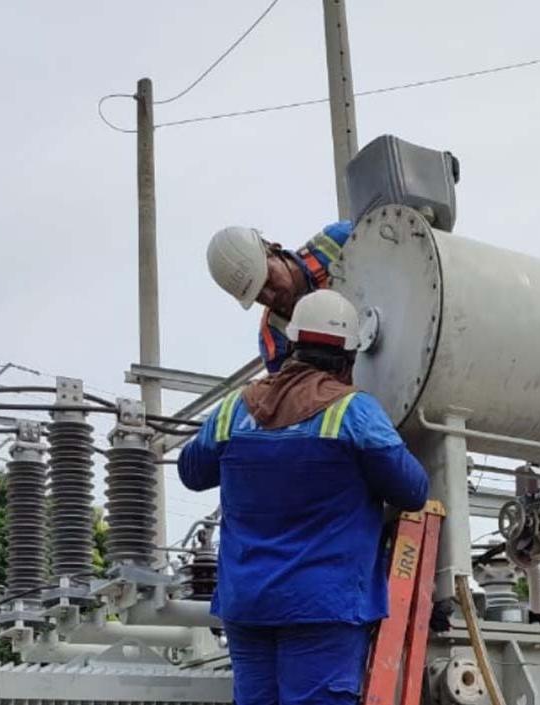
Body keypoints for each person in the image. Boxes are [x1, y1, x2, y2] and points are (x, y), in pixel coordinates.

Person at [177, 289, 429, 705]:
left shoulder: (233, 410)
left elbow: (191, 471)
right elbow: (413, 490)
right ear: (350, 355)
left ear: (293, 343)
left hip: (248, 603)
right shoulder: (354, 413)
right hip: (322, 605)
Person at [206, 221, 352, 373]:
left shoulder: (338, 241)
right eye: (258, 296)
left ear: (274, 249)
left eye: (268, 280)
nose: (269, 297)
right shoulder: (275, 340)